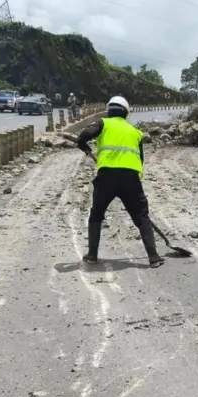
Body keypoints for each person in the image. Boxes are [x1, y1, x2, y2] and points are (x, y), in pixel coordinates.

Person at [76, 95, 165, 268]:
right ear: (126, 114)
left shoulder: (103, 123)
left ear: (109, 111)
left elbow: (85, 135)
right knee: (142, 217)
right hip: (131, 179)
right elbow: (140, 159)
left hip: (107, 176)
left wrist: (83, 146)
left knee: (96, 215)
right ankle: (153, 257)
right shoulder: (135, 132)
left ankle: (92, 255)